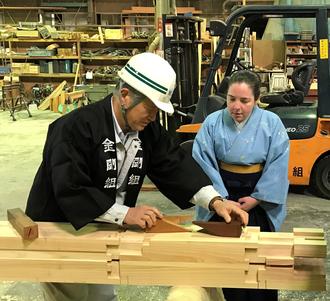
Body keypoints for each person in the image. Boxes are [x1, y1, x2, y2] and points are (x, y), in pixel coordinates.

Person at [25, 52, 248, 301]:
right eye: (150, 108)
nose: (153, 117)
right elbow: (69, 186)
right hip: (59, 227)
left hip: (102, 227)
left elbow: (174, 163)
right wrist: (127, 214)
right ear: (125, 95)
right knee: (71, 294)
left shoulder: (145, 130)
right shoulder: (74, 128)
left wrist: (216, 201)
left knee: (102, 293)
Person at [192, 70, 289, 301]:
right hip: (221, 195)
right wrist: (220, 200)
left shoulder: (271, 122)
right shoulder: (213, 122)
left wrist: (258, 197)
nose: (237, 106)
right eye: (231, 99)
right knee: (228, 263)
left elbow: (279, 161)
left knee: (260, 262)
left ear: (256, 100)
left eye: (244, 101)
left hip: (258, 198)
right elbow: (202, 160)